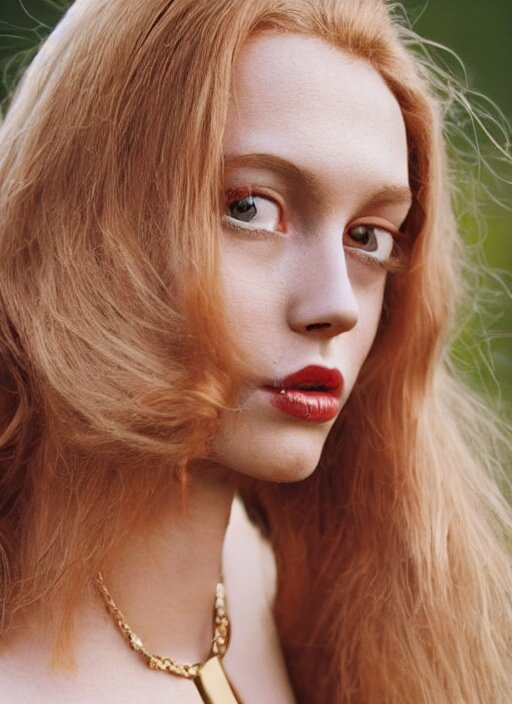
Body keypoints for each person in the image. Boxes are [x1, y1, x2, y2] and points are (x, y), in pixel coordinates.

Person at [0, 0, 510, 702]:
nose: (336, 303)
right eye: (251, 207)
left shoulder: (295, 589)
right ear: (80, 224)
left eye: (369, 237)